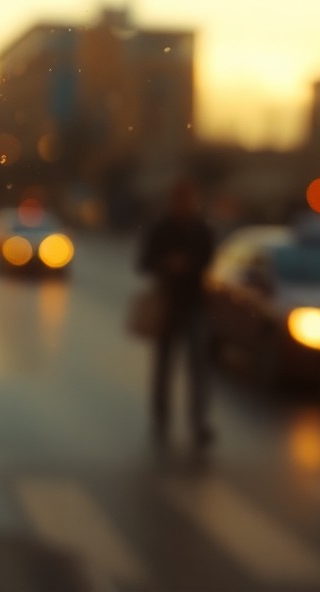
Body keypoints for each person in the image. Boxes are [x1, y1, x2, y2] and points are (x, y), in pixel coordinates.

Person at [136, 179, 217, 448]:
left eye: (187, 200)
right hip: (167, 305)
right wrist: (166, 264)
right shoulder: (160, 228)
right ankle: (161, 416)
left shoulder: (201, 229)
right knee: (164, 366)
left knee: (198, 368)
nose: (184, 205)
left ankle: (199, 422)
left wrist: (189, 266)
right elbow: (143, 262)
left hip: (194, 305)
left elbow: (210, 260)